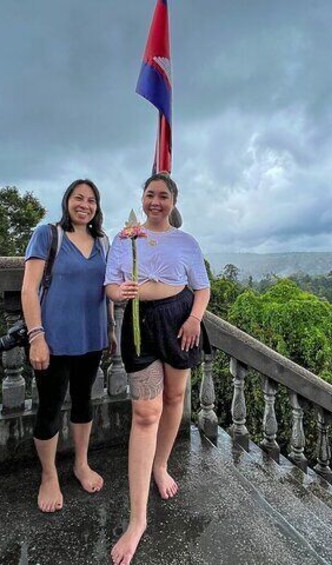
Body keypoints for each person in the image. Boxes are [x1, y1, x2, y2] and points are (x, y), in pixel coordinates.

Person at [104, 172, 211, 565]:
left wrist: (195, 319)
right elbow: (110, 287)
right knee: (146, 412)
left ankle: (161, 465)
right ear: (142, 198)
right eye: (150, 194)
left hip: (178, 319)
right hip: (138, 323)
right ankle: (137, 520)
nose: (156, 202)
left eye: (163, 196)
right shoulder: (125, 239)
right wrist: (121, 292)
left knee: (175, 397)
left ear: (173, 201)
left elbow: (201, 287)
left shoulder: (186, 242)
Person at [21, 178, 116, 513]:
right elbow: (29, 288)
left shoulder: (103, 240)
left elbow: (107, 289)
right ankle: (48, 475)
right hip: (55, 339)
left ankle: (81, 463)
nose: (85, 205)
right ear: (67, 201)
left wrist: (112, 329)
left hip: (92, 337)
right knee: (49, 406)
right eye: (79, 198)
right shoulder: (48, 235)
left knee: (83, 401)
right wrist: (36, 336)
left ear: (97, 207)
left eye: (91, 200)